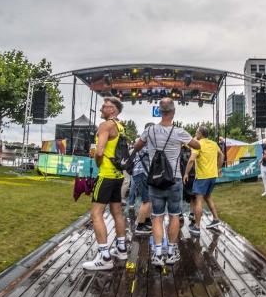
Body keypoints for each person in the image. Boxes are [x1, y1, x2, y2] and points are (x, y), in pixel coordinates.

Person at [134, 98, 200, 266]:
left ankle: (157, 254)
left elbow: (137, 146)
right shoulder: (179, 132)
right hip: (174, 179)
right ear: (173, 112)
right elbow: (197, 145)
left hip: (155, 180)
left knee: (157, 217)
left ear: (159, 111)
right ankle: (171, 252)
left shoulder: (149, 130)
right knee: (174, 215)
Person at [83, 96, 128, 271]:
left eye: (105, 106)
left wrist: (98, 162)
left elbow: (99, 152)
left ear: (113, 110)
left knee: (96, 215)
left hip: (106, 175)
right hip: (117, 176)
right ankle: (122, 250)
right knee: (117, 213)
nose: (102, 108)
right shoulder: (120, 126)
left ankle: (104, 257)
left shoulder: (105, 125)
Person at [183, 125, 224, 236]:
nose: (195, 134)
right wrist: (218, 168)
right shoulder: (214, 144)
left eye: (197, 132)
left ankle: (197, 227)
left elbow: (191, 160)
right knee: (208, 197)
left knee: (199, 201)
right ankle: (216, 219)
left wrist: (186, 173)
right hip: (212, 176)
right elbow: (221, 155)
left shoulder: (198, 144)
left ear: (200, 134)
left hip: (202, 177)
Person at [133, 124, 154, 234]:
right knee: (146, 200)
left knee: (149, 199)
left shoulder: (143, 142)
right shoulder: (145, 144)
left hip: (143, 173)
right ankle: (140, 226)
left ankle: (146, 220)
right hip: (142, 173)